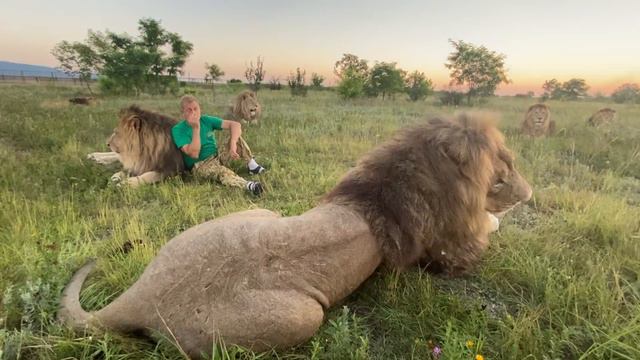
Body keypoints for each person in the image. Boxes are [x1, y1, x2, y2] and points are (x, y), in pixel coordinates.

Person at [172, 95, 266, 196]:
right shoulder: (178, 129)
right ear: (183, 113)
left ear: (200, 109)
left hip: (217, 155)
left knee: (235, 137)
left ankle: (252, 166)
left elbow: (235, 125)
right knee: (221, 172)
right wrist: (196, 129)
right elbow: (193, 154)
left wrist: (233, 144)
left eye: (196, 109)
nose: (194, 113)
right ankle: (248, 185)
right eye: (189, 110)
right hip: (201, 165)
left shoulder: (206, 120)